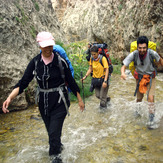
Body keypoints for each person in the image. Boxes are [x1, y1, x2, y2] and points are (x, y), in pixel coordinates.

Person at [2, 31, 85, 162]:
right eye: (45, 46)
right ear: (40, 46)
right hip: (44, 104)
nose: (48, 49)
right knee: (52, 132)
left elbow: (71, 81)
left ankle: (56, 159)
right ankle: (58, 145)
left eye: (50, 46)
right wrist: (9, 98)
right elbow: (23, 82)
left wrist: (79, 99)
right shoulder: (35, 63)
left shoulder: (60, 61)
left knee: (52, 134)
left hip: (60, 103)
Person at [121, 36, 163, 128]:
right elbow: (124, 65)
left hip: (151, 78)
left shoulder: (152, 53)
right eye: (140, 48)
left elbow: (160, 60)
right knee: (139, 98)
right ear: (137, 47)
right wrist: (123, 73)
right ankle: (137, 112)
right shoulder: (134, 54)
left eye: (144, 48)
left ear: (147, 47)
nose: (142, 50)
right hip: (139, 79)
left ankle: (151, 120)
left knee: (150, 99)